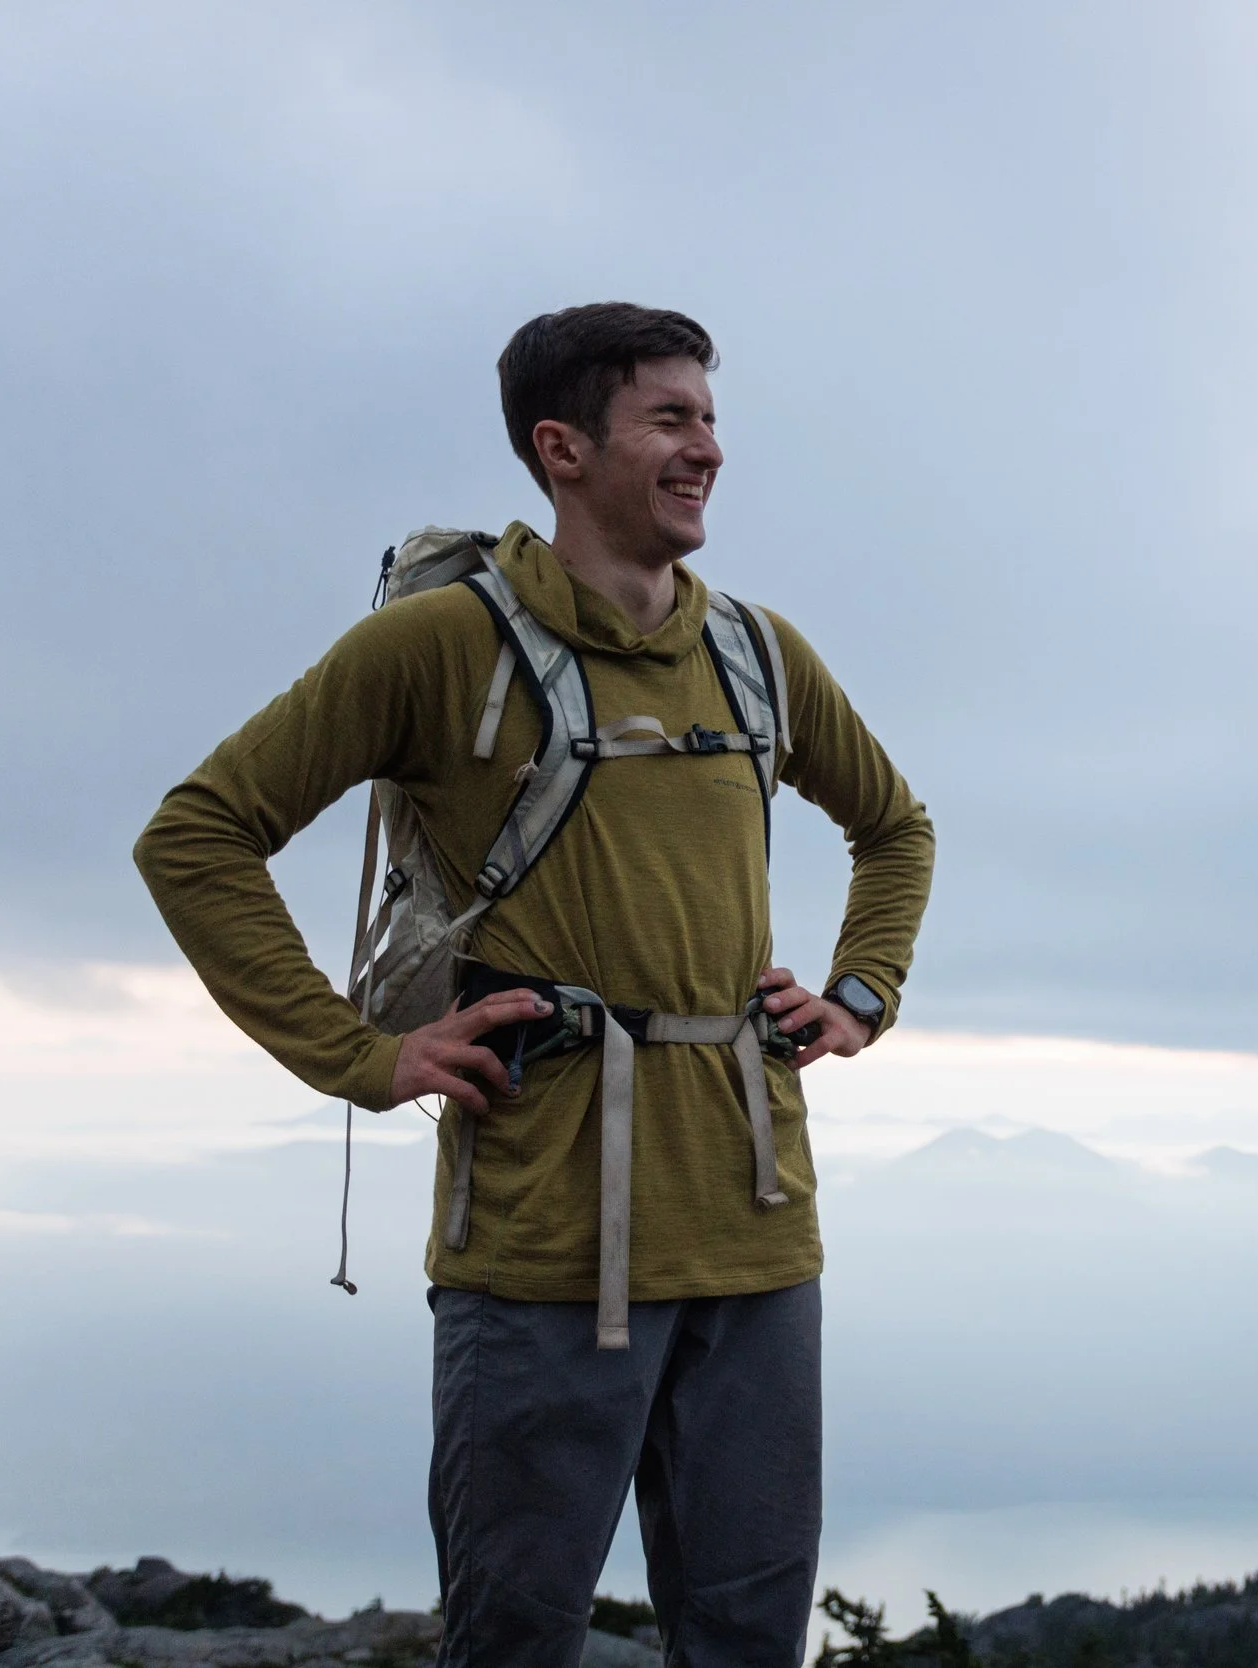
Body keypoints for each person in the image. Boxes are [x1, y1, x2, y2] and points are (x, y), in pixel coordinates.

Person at [134, 302, 935, 1668]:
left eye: (711, 417)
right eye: (671, 419)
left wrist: (861, 994)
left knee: (748, 1638)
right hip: (541, 1241)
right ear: (562, 450)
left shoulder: (755, 651)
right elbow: (197, 835)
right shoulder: (438, 648)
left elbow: (895, 826)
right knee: (514, 1638)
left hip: (756, 1232)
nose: (709, 450)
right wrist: (362, 1056)